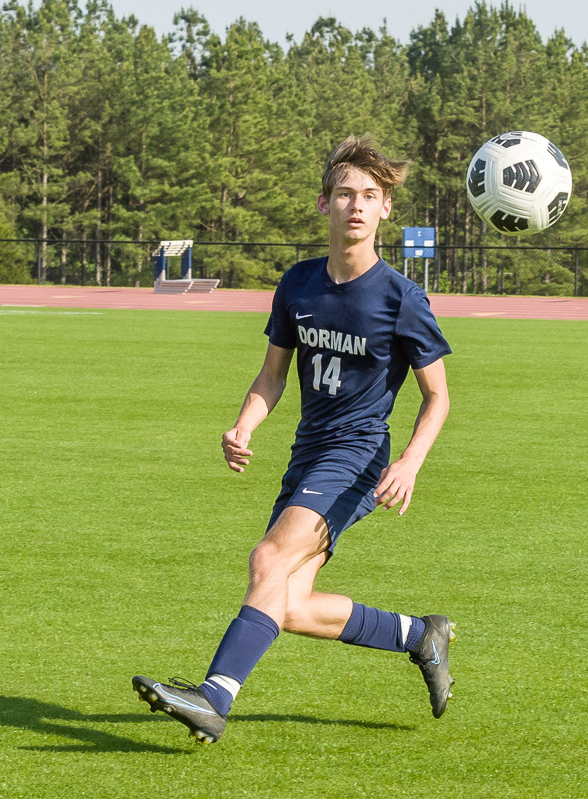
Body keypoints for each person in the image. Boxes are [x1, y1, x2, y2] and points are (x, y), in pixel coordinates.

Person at [133, 136, 455, 743]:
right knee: (288, 604)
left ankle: (213, 698)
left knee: (268, 560)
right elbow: (273, 375)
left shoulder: (401, 299)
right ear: (323, 203)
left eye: (370, 196)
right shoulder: (298, 285)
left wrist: (411, 462)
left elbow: (438, 396)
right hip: (308, 453)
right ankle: (421, 635)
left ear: (386, 208)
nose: (355, 206)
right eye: (344, 194)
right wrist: (244, 424)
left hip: (358, 457)